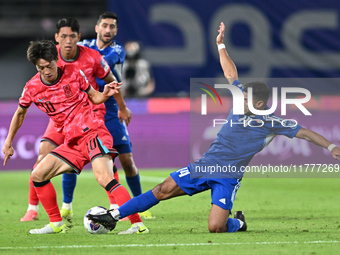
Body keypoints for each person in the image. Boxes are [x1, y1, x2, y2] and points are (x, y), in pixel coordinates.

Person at [88, 22, 340, 233]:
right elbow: (231, 74)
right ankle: (115, 215)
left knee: (215, 228)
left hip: (228, 177)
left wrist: (330, 146)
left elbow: (305, 132)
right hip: (205, 164)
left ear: (260, 103)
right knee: (162, 189)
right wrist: (221, 44)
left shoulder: (273, 123)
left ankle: (237, 222)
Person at [2, 40, 149, 235]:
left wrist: (104, 94)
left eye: (49, 66)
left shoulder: (73, 73)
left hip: (93, 132)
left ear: (56, 60)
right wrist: (8, 142)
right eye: (40, 68)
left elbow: (94, 97)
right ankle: (56, 223)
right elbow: (20, 113)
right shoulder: (32, 88)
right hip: (72, 142)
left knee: (105, 178)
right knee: (38, 175)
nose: (46, 71)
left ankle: (137, 224)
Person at [77, 12, 154, 220]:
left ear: (116, 30)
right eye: (104, 26)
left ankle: (141, 204)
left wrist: (122, 107)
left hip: (110, 108)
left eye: (112, 27)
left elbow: (100, 63)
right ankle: (68, 206)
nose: (108, 30)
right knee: (83, 160)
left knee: (127, 160)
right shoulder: (84, 44)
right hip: (88, 108)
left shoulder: (117, 49)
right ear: (97, 28)